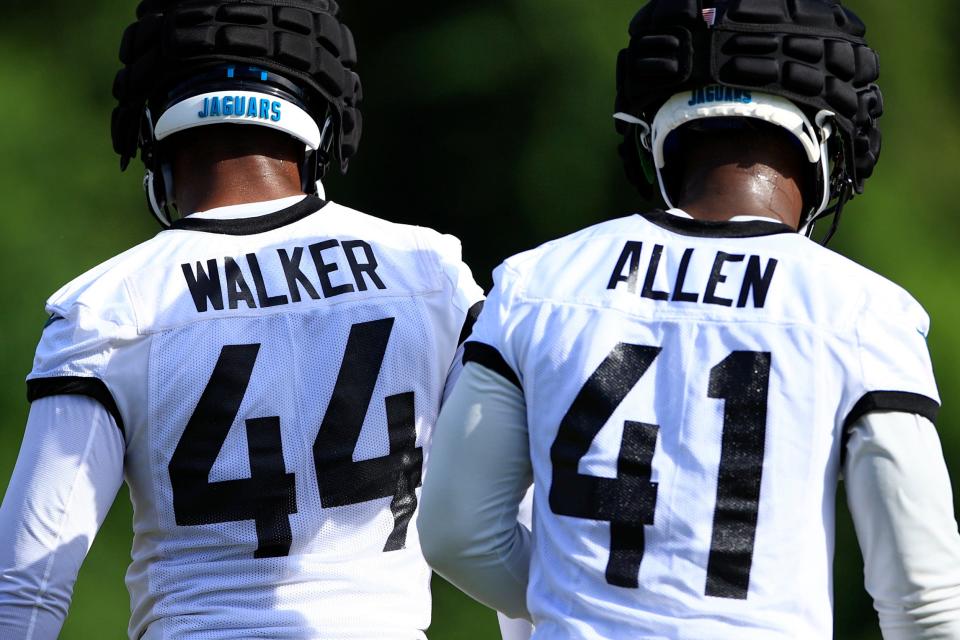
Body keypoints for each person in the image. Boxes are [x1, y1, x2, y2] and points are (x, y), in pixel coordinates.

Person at [419, 1, 960, 638]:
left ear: (656, 135)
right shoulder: (863, 310)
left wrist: (578, 609)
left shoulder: (537, 282)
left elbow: (458, 535)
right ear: (827, 137)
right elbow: (924, 596)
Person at [0, 1, 483, 638]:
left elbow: (27, 583)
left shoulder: (109, 304)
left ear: (151, 134)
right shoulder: (431, 272)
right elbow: (506, 531)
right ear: (325, 124)